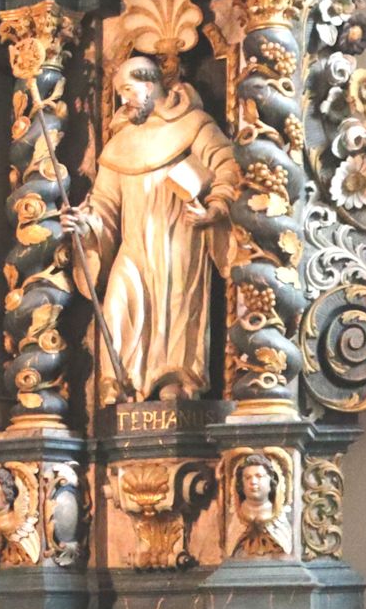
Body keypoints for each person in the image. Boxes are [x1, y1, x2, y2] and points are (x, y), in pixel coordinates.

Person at [61, 55, 240, 405]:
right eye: (120, 92)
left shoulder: (195, 125)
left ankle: (176, 380)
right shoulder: (118, 145)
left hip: (179, 236)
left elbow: (227, 166)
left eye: (128, 89)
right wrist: (85, 223)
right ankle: (119, 384)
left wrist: (214, 207)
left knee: (176, 305)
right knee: (117, 305)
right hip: (132, 245)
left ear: (151, 83)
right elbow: (105, 204)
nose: (124, 99)